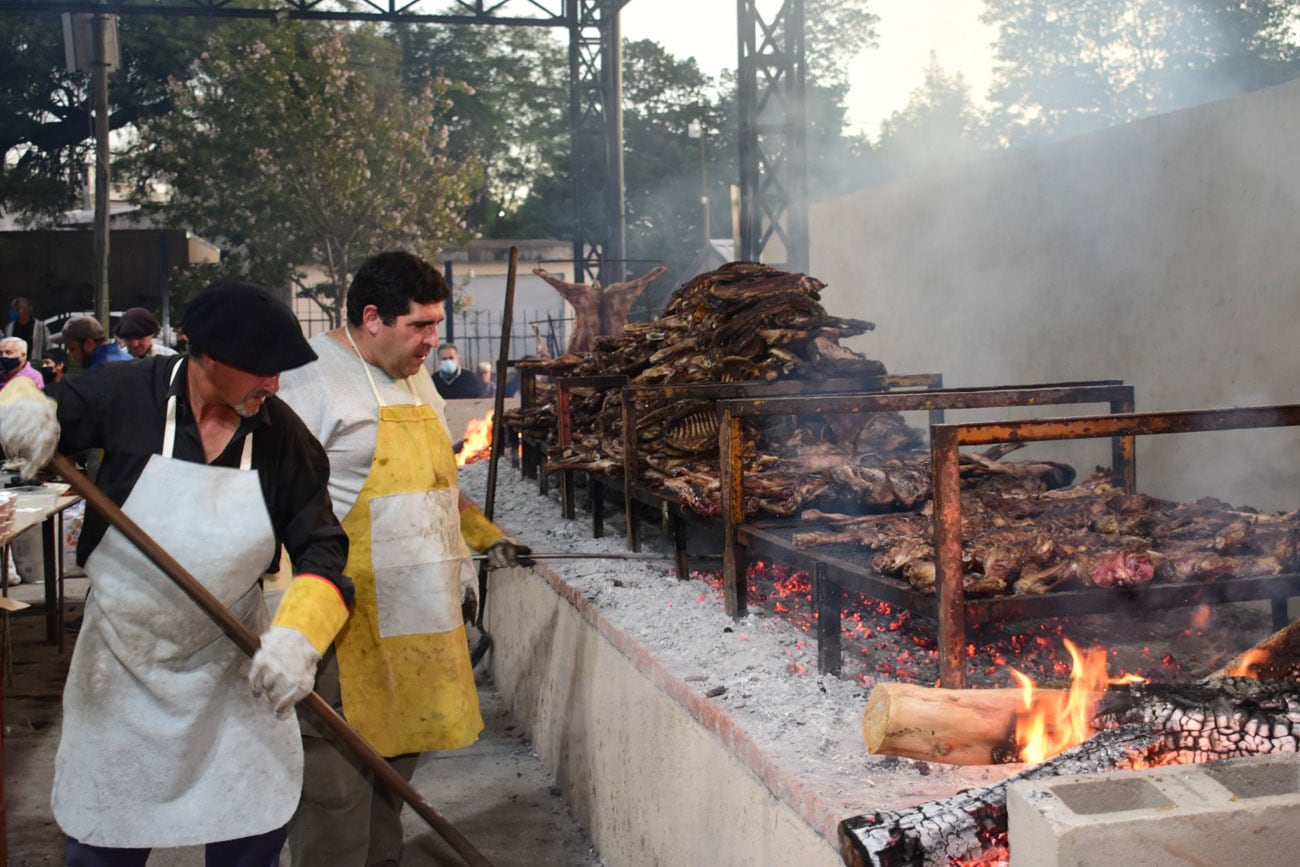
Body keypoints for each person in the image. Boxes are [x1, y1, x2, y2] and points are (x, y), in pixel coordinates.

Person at [0, 281, 355, 865]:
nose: (273, 384)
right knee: (105, 838)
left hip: (230, 669)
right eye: (261, 370)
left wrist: (301, 637)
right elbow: (43, 411)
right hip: (122, 666)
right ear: (207, 355)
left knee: (253, 822)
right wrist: (18, 406)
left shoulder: (282, 438)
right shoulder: (126, 394)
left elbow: (322, 546)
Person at [276, 250, 531, 867]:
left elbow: (437, 481)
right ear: (372, 317)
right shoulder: (308, 381)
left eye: (436, 324)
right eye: (420, 325)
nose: (433, 341)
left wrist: (480, 534)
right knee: (336, 797)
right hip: (345, 620)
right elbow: (273, 498)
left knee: (389, 786)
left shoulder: (415, 374)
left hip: (419, 616)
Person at [62, 315, 131, 371]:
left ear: (89, 343)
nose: (70, 356)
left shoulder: (96, 372)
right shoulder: (127, 358)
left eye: (72, 349)